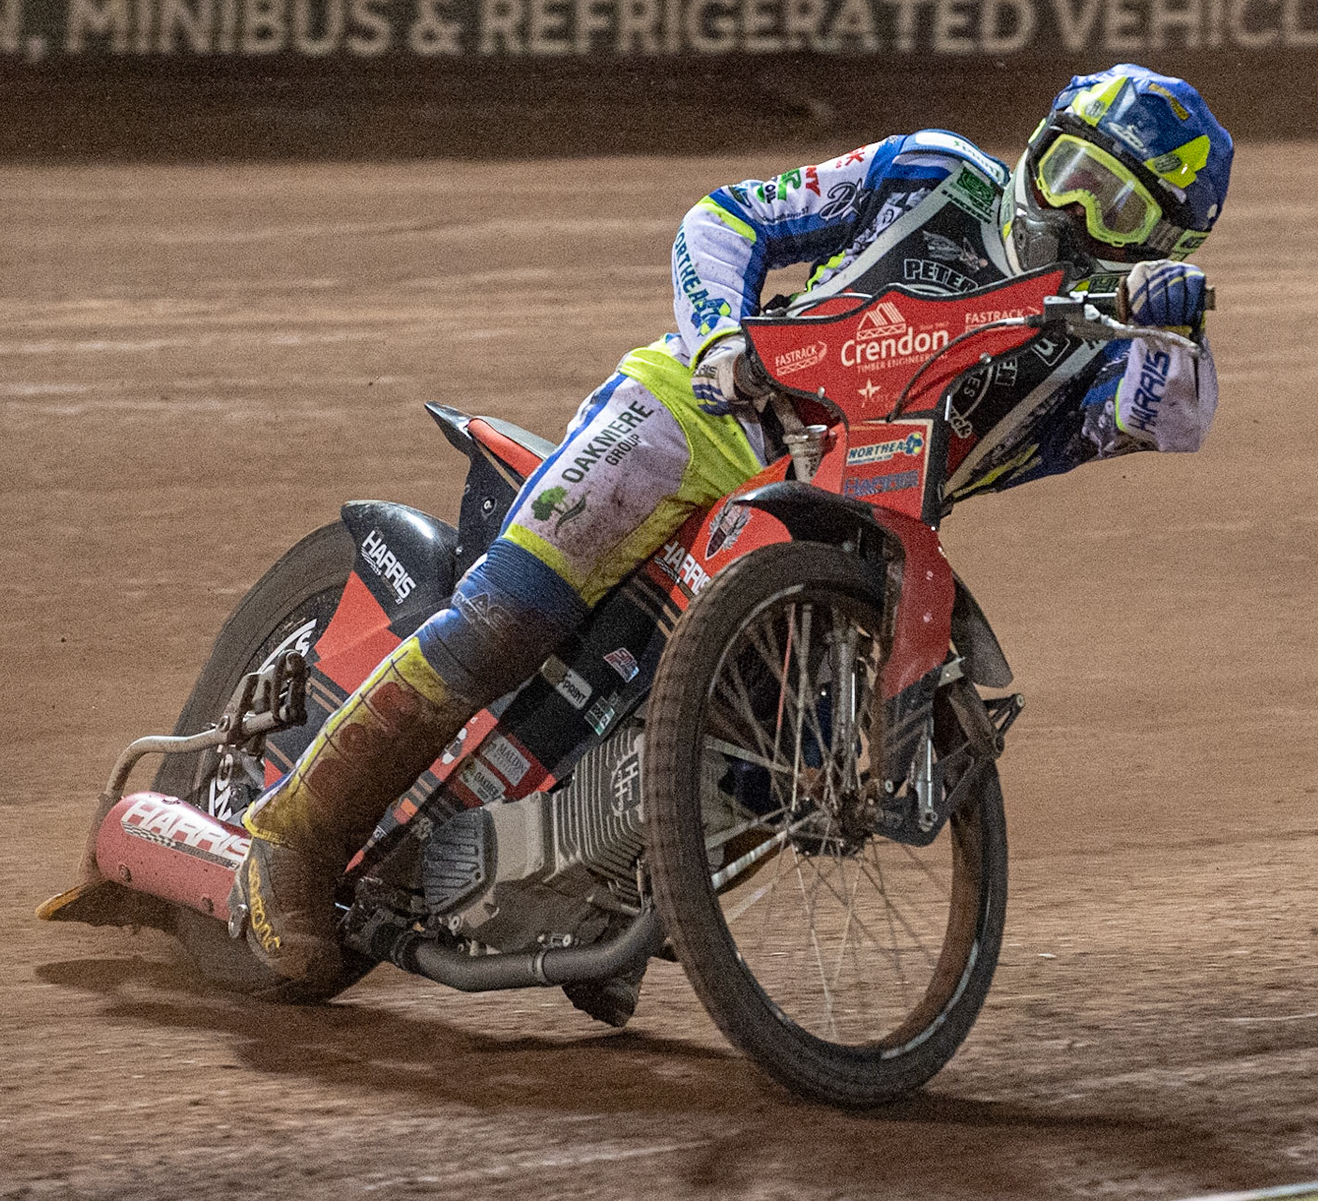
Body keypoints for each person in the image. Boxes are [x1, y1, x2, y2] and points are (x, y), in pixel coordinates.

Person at [232, 63, 1234, 1017]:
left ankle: (623, 896)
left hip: (858, 518)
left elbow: (1174, 416)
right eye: (1073, 171)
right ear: (1039, 145)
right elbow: (727, 217)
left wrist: (1171, 328)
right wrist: (719, 336)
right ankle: (291, 843)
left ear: (1162, 247)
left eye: (1119, 210)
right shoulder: (932, 171)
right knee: (507, 620)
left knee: (793, 766)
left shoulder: (1110, 355)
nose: (1075, 212)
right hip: (708, 415)